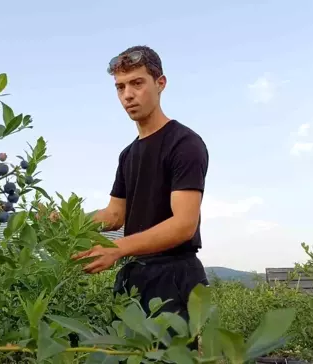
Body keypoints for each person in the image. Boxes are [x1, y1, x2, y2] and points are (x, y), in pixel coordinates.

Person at [71, 45, 210, 350]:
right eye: (120, 87)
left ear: (160, 83)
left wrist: (117, 249)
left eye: (137, 83)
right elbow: (115, 215)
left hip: (173, 277)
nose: (127, 95)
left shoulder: (184, 143)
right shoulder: (128, 154)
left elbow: (184, 224)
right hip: (134, 277)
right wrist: (69, 222)